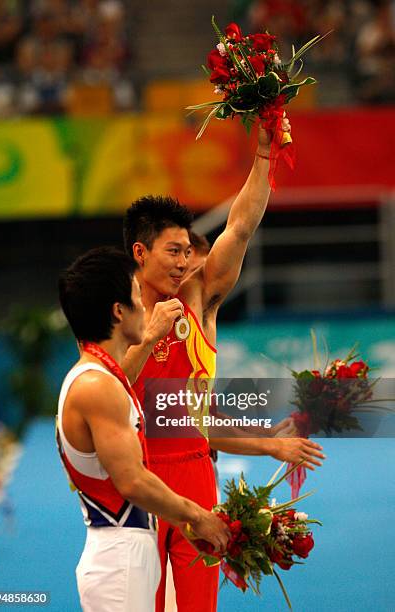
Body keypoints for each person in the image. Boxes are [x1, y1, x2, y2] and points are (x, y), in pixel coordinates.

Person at [122, 119, 326, 612]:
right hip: (135, 479)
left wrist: (262, 152)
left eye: (188, 254)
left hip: (193, 475)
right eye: (175, 252)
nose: (183, 264)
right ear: (140, 253)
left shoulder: (199, 300)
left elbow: (241, 223)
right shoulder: (116, 313)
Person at [56, 246, 230, 612]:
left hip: (129, 550)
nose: (146, 306)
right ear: (118, 311)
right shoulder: (97, 386)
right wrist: (198, 515)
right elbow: (132, 481)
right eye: (137, 296)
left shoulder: (101, 378)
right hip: (120, 557)